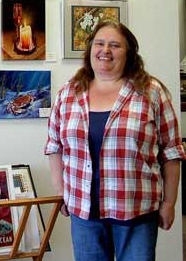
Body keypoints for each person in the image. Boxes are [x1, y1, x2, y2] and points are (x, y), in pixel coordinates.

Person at [45, 21, 185, 261]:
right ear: (90, 49)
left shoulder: (151, 93)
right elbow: (54, 146)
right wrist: (62, 193)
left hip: (136, 212)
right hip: (84, 213)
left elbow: (171, 153)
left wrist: (170, 202)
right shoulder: (69, 93)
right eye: (99, 43)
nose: (105, 50)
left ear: (129, 53)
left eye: (115, 45)